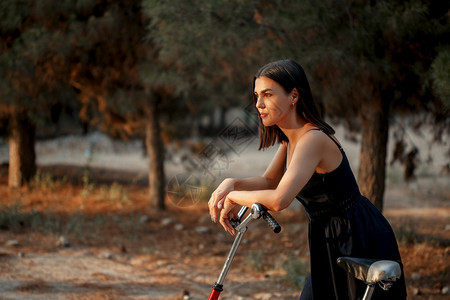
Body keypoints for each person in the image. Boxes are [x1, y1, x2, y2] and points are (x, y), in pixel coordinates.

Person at [208, 59, 407, 299]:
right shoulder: (290, 139)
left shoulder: (312, 139)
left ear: (294, 96)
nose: (259, 104)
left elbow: (280, 199)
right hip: (328, 236)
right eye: (257, 95)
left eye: (268, 94)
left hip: (357, 236)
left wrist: (233, 196)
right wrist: (231, 182)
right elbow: (270, 182)